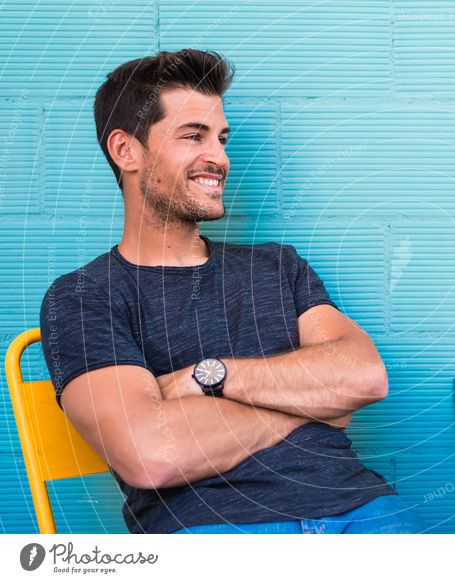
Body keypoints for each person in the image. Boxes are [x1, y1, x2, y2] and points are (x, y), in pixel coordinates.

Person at [39, 49, 424, 534]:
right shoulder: (81, 297)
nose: (218, 158)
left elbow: (364, 380)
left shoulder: (279, 266)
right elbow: (151, 456)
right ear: (126, 151)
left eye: (221, 139)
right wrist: (306, 406)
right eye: (192, 136)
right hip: (215, 529)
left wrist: (207, 378)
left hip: (363, 511)